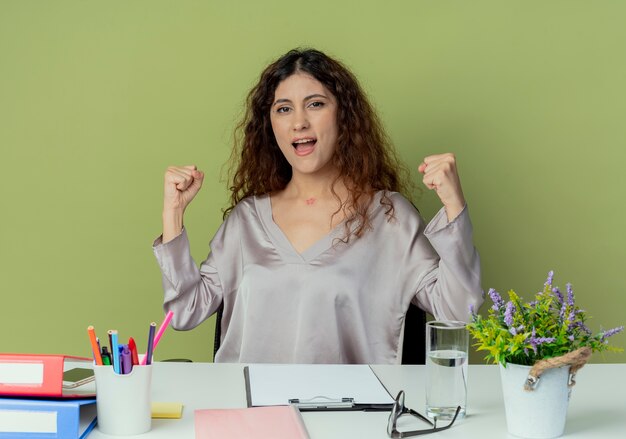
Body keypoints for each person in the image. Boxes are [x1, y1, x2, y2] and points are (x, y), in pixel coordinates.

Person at [153, 48, 483, 364]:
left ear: (344, 116)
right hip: (254, 414)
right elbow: (184, 312)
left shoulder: (390, 217)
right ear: (270, 125)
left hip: (351, 415)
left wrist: (454, 205)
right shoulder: (247, 220)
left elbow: (458, 310)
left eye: (315, 104)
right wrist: (173, 213)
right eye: (283, 109)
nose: (299, 122)